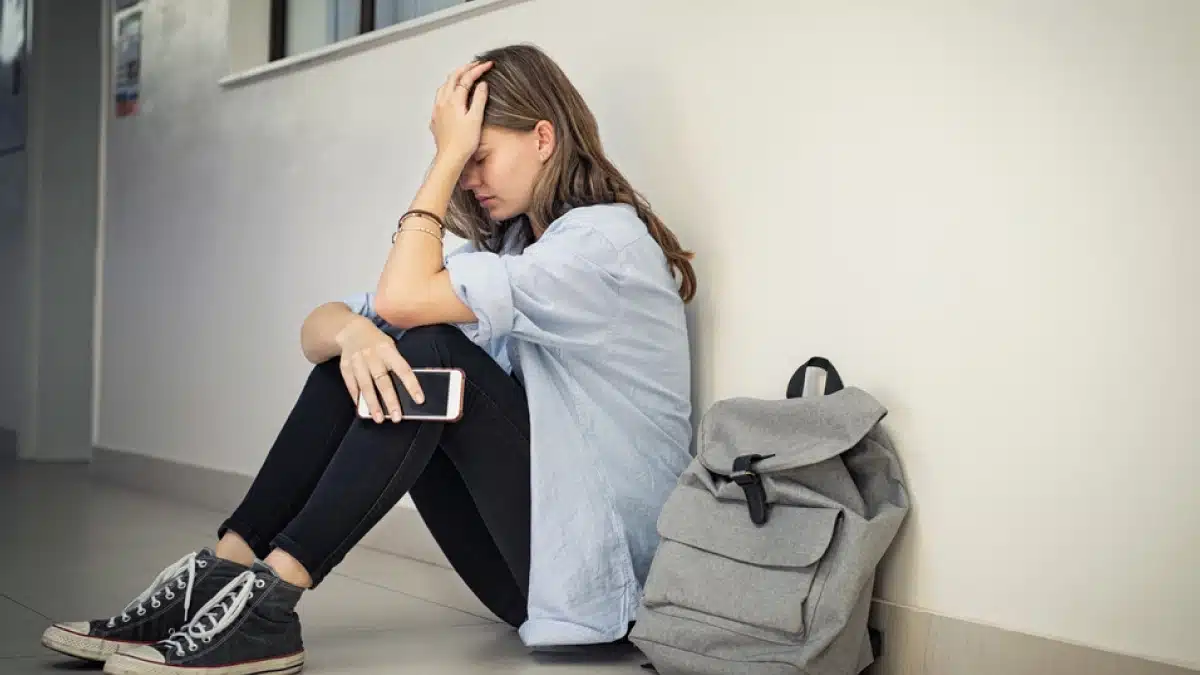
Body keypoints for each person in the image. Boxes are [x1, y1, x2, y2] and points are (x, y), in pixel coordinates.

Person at [41, 44, 696, 675]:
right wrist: (356, 335)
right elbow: (318, 328)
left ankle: (272, 601)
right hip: (538, 578)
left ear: (543, 139)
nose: (470, 179)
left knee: (431, 351)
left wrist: (443, 158)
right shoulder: (515, 248)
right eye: (462, 163)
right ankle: (223, 574)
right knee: (359, 353)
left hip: (608, 585)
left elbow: (403, 298)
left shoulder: (602, 247)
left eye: (479, 157)